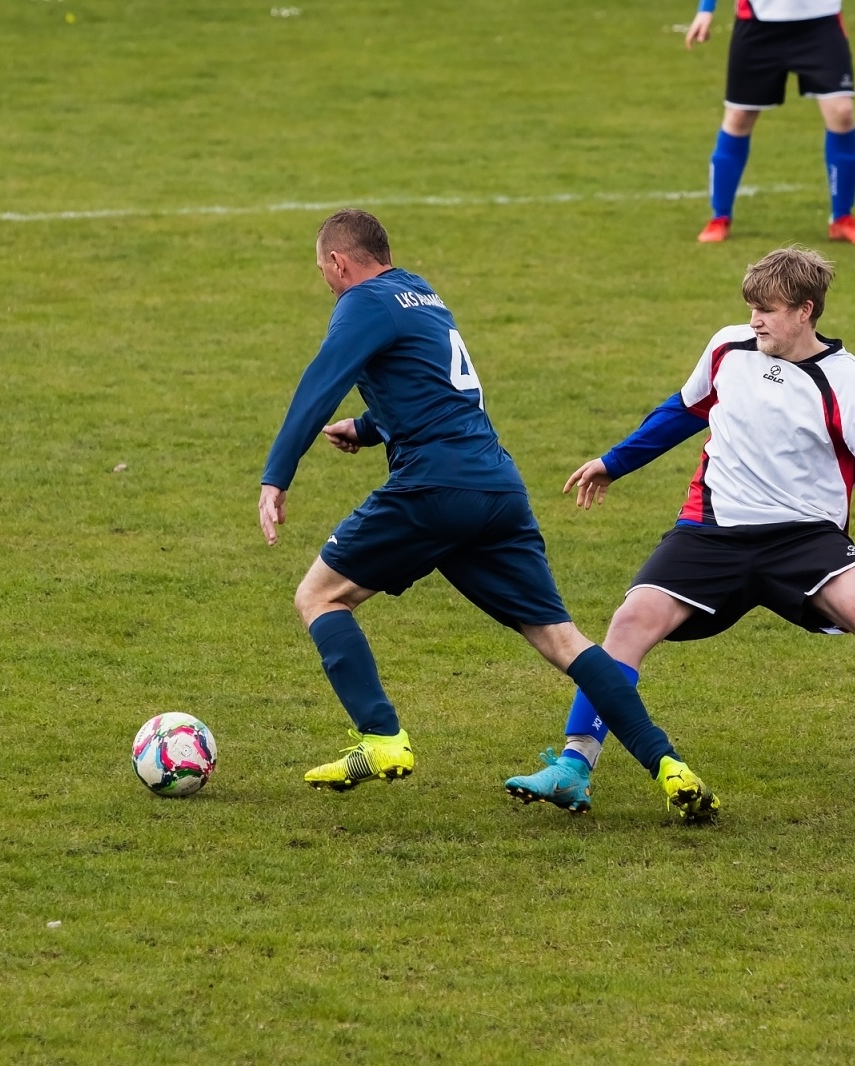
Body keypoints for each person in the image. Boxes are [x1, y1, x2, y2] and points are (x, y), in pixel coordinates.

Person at [258, 209, 717, 820]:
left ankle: (382, 737)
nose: (327, 284)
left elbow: (318, 384)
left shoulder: (362, 302)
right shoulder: (423, 295)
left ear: (340, 262)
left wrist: (275, 476)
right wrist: (368, 429)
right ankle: (669, 765)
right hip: (496, 487)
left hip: (433, 486)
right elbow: (437, 389)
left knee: (319, 596)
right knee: (560, 638)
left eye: (324, 273)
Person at [505, 246, 855, 819]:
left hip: (806, 539)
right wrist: (613, 462)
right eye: (750, 307)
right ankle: (573, 768)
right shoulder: (728, 348)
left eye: (767, 310)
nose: (755, 320)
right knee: (628, 623)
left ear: (805, 311)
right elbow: (683, 410)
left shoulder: (849, 387)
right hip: (711, 531)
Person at [685, 0, 855, 247]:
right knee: (739, 117)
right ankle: (720, 217)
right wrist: (706, 9)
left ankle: (842, 218)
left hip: (821, 22)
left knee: (842, 112)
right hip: (758, 22)